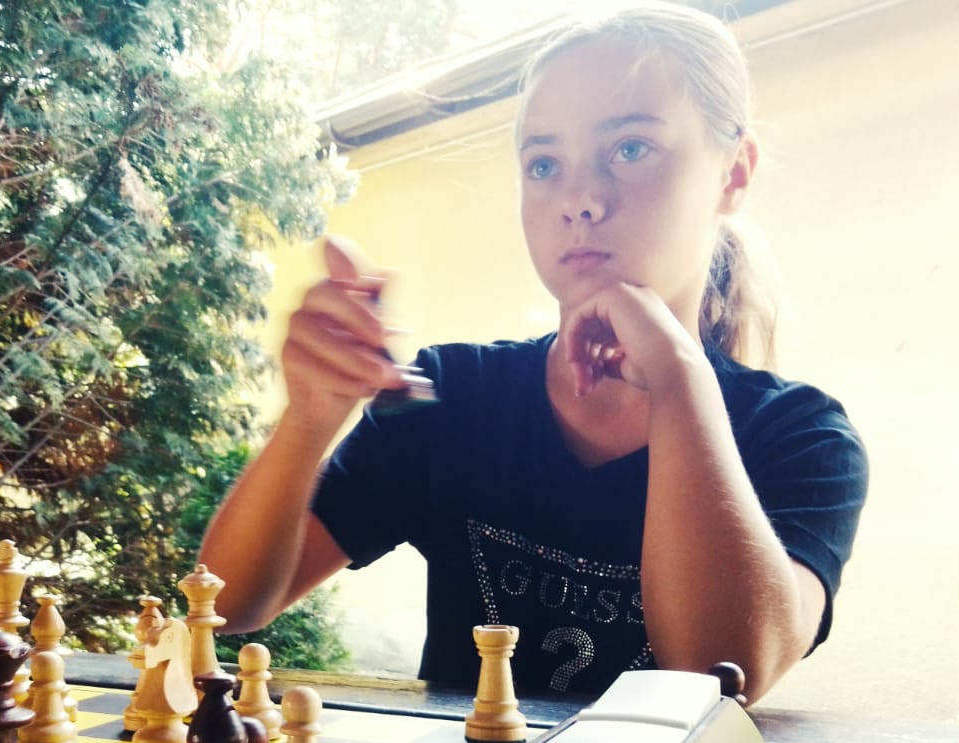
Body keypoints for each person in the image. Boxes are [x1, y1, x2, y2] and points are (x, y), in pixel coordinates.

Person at [198, 2, 868, 704]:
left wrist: (678, 379)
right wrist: (308, 421)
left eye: (630, 149)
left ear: (734, 172)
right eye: (544, 164)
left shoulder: (800, 437)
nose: (579, 199)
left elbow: (721, 671)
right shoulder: (452, 396)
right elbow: (229, 605)